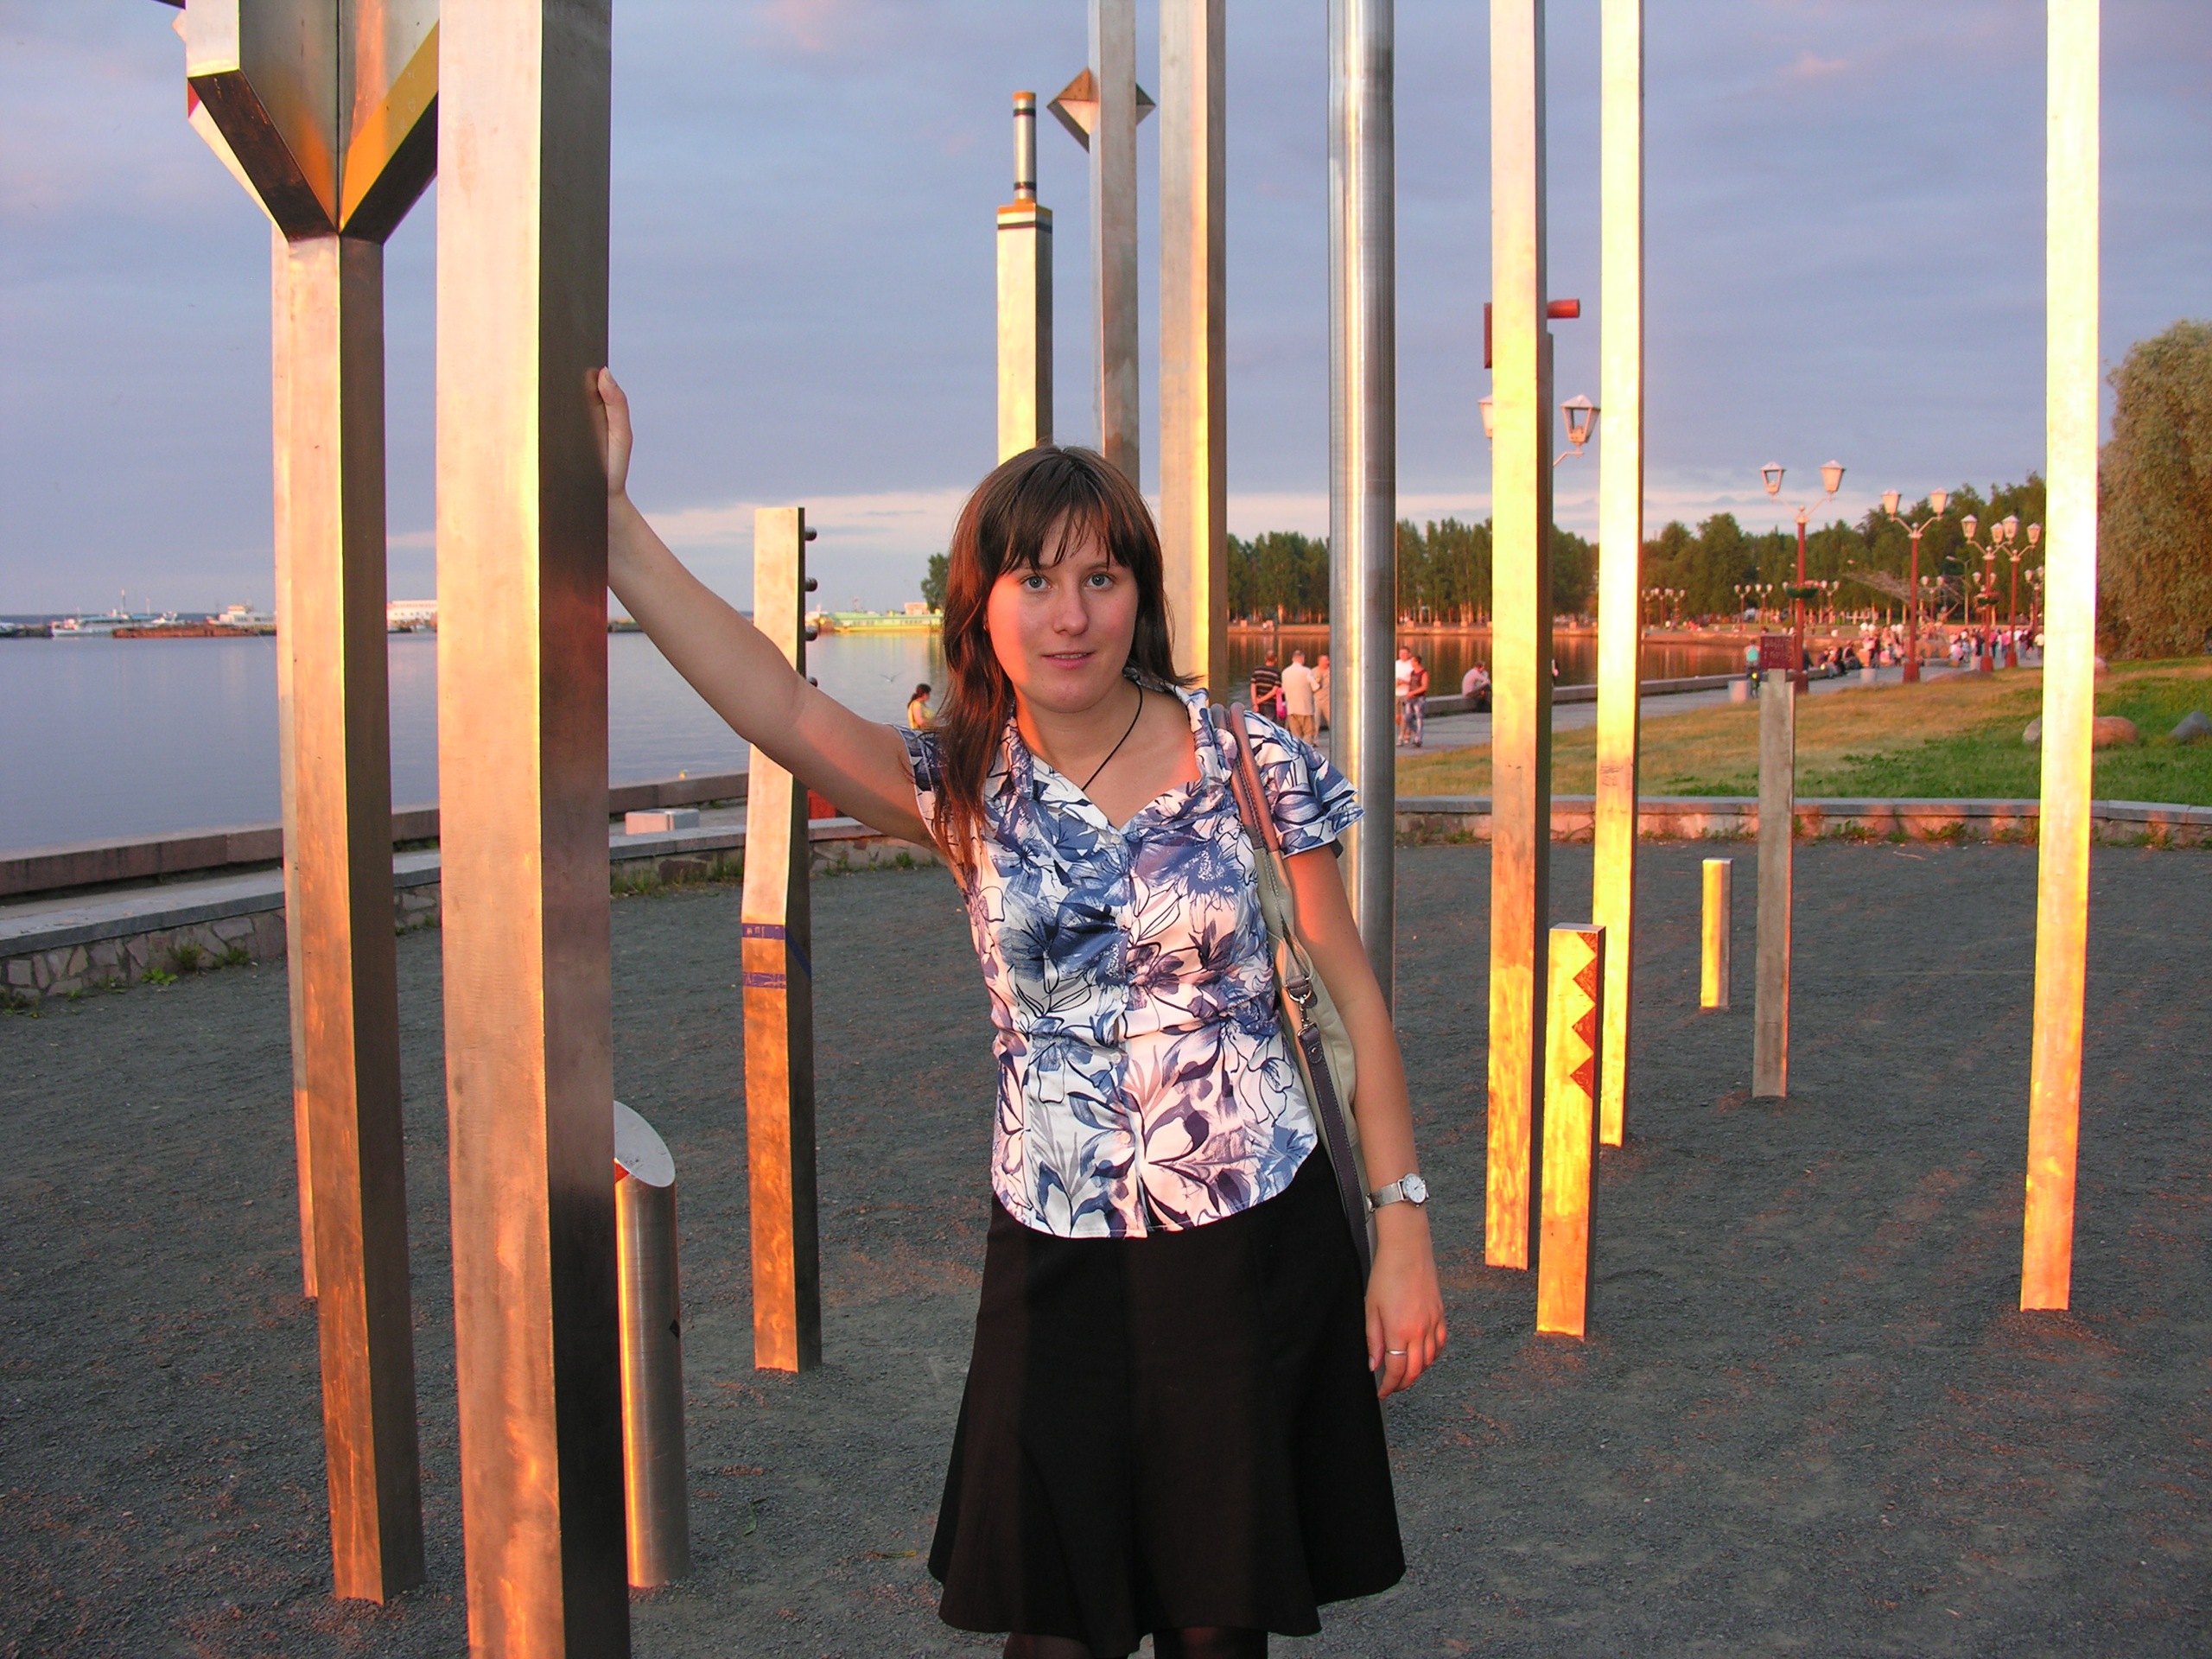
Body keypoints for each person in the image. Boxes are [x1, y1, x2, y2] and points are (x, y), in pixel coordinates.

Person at [595, 372, 1445, 1659]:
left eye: (1101, 577)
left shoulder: (1247, 760)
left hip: (1250, 1244)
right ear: (979, 606)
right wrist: (615, 529)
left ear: (1140, 595)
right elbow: (775, 700)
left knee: (1219, 1628)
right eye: (1033, 580)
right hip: (1055, 1256)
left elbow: (1349, 999)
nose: (1070, 613)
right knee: (1052, 1632)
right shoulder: (966, 785)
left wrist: (1403, 1228)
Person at [1281, 649, 1319, 741]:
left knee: (1295, 735)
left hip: (1291, 708)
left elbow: (1283, 689)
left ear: (1293, 659)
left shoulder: (1285, 672)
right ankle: (1306, 748)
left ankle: (1298, 750)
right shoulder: (1306, 671)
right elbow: (1315, 687)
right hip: (1306, 708)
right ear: (1302, 659)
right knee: (1308, 732)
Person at [1404, 653, 1429, 747]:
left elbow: (1424, 687)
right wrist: (1408, 693)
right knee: (1407, 718)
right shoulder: (1412, 672)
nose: (1410, 663)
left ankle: (1419, 739)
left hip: (1419, 698)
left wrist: (1413, 693)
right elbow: (1411, 684)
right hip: (1410, 698)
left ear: (1417, 662)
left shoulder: (1423, 673)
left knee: (1419, 718)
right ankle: (1416, 732)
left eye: (1412, 661)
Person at [1250, 652, 1284, 722]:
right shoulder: (1277, 673)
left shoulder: (1257, 671)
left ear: (1265, 658)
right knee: (1269, 725)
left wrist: (1255, 703)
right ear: (1276, 660)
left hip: (1258, 705)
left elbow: (1253, 687)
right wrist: (1260, 700)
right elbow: (1274, 691)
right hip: (1270, 705)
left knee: (1258, 725)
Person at [1393, 646, 1414, 745]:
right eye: (1401, 653)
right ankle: (1408, 729)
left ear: (1409, 654)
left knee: (1404, 716)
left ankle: (1401, 737)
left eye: (1405, 653)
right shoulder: (1396, 664)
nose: (1402, 655)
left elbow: (1415, 682)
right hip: (1396, 693)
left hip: (1406, 693)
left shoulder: (1411, 665)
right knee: (1397, 717)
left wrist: (1404, 682)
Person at [1313, 654, 1332, 732]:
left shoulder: (1331, 671)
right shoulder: (1313, 671)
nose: (1328, 662)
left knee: (1331, 719)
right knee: (1315, 720)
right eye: (1325, 661)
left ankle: (1334, 736)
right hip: (1316, 699)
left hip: (1328, 699)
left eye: (1328, 660)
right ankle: (1315, 738)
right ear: (1320, 662)